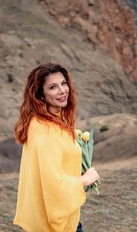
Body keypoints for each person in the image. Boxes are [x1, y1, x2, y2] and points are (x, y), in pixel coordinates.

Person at [13, 63, 100, 232]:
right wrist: (86, 179)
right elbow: (53, 183)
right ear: (41, 95)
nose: (62, 90)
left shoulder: (46, 122)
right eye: (53, 87)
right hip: (53, 227)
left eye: (63, 83)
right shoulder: (45, 130)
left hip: (50, 221)